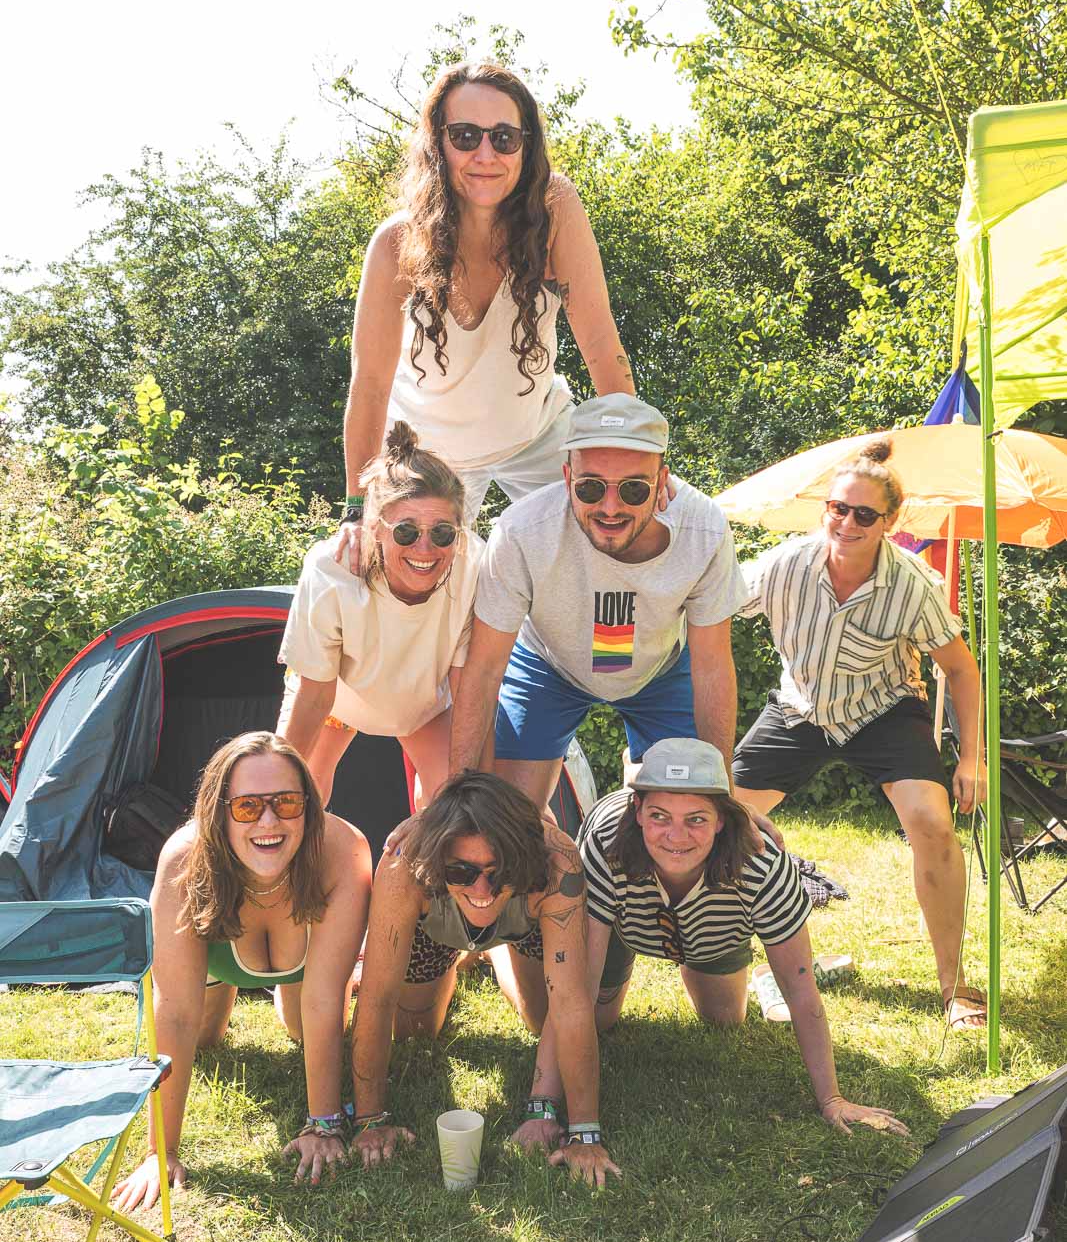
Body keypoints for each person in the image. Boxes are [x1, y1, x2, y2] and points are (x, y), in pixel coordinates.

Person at [732, 439, 988, 1030]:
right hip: (802, 707)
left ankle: (955, 987)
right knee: (719, 820)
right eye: (837, 509)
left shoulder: (913, 584)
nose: (846, 523)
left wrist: (970, 756)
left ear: (890, 522)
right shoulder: (783, 564)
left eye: (864, 514)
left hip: (885, 709)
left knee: (932, 821)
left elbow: (961, 669)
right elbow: (707, 606)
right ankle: (730, 963)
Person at [337, 59, 640, 553]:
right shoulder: (397, 242)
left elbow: (602, 344)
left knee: (609, 544)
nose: (485, 153)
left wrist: (634, 456)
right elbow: (369, 385)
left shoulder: (553, 210)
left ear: (526, 147)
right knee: (405, 570)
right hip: (429, 452)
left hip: (536, 434)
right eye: (464, 136)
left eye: (503, 138)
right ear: (437, 143)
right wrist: (356, 507)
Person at [577, 739, 908, 1135]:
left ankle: (729, 969)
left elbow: (801, 991)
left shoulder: (763, 863)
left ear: (722, 819)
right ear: (637, 812)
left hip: (712, 934)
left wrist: (832, 1100)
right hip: (618, 925)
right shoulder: (605, 840)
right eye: (660, 816)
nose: (676, 836)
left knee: (725, 1019)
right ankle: (505, 953)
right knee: (593, 1018)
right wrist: (550, 1110)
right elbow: (576, 996)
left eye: (696, 819)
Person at [448, 393, 749, 815]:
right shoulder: (521, 531)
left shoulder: (704, 529)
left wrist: (724, 795)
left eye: (633, 489)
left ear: (662, 483)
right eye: (590, 488)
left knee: (691, 813)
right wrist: (456, 794)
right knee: (510, 816)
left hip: (658, 670)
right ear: (567, 477)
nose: (610, 507)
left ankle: (642, 771)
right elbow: (482, 669)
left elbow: (713, 663)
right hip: (548, 666)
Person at [113, 732, 372, 1211]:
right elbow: (173, 1015)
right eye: (248, 807)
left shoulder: (343, 850)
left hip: (306, 967)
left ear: (309, 808)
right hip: (217, 956)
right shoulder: (183, 860)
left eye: (287, 803)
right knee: (204, 1035)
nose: (269, 821)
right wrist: (159, 1153)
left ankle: (282, 985)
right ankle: (229, 982)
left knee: (306, 1027)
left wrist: (324, 1124)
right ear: (218, 811)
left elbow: (324, 999)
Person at [350, 769, 620, 1187]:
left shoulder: (557, 864)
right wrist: (370, 1120)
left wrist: (584, 1132)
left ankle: (494, 952)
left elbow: (569, 1003)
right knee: (417, 1031)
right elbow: (377, 996)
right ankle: (466, 956)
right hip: (435, 930)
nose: (482, 888)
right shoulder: (402, 864)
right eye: (461, 872)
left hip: (524, 923)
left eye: (499, 873)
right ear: (438, 861)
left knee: (540, 1018)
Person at [278, 422, 483, 808]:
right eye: (406, 532)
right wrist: (277, 786)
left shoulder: (473, 564)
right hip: (337, 702)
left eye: (442, 533)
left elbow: (468, 686)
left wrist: (467, 784)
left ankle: (420, 855)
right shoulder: (332, 569)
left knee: (460, 806)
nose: (425, 549)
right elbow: (315, 693)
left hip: (421, 708)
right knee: (294, 799)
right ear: (375, 528)